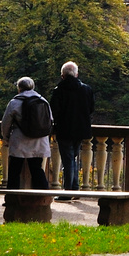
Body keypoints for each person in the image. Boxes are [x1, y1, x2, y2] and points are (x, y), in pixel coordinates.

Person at [50, 61, 94, 193]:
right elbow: (91, 108)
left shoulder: (58, 90)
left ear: (62, 75)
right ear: (76, 74)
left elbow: (54, 111)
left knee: (68, 160)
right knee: (72, 159)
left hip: (64, 130)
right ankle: (74, 188)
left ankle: (69, 191)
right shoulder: (87, 89)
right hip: (81, 129)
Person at [2, 77, 52, 190]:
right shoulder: (43, 101)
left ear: (19, 88)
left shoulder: (15, 102)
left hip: (19, 141)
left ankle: (12, 199)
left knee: (14, 171)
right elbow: (50, 120)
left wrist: (6, 138)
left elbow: (6, 123)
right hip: (39, 141)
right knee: (37, 170)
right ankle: (43, 198)